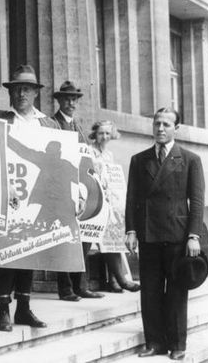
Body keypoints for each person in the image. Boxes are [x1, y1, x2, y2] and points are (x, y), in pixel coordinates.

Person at [125, 107, 205, 361]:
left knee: (177, 291)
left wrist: (193, 236)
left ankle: (178, 343)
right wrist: (131, 230)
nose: (160, 128)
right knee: (149, 290)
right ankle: (154, 342)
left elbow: (198, 201)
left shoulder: (190, 159)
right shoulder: (139, 160)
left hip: (178, 235)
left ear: (176, 129)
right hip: (148, 233)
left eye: (166, 125)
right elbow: (132, 199)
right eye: (157, 123)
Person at [0, 64, 58, 332]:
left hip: (35, 197)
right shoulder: (1, 119)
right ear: (10, 93)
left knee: (29, 250)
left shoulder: (49, 124)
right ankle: (3, 309)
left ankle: (24, 307)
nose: (21, 94)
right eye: (17, 89)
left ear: (35, 93)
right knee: (6, 252)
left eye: (26, 89)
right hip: (6, 195)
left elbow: (61, 161)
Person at [51, 81, 103, 301]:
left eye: (74, 99)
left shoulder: (77, 126)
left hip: (79, 189)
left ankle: (80, 284)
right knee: (64, 239)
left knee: (84, 236)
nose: (71, 103)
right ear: (60, 101)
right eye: (66, 99)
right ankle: (65, 288)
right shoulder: (53, 124)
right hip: (61, 188)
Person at [88, 120, 140, 293]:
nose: (104, 137)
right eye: (101, 133)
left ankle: (114, 280)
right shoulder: (90, 151)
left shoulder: (108, 154)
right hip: (94, 199)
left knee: (114, 232)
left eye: (107, 134)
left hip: (108, 199)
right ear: (95, 133)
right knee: (108, 234)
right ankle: (120, 279)